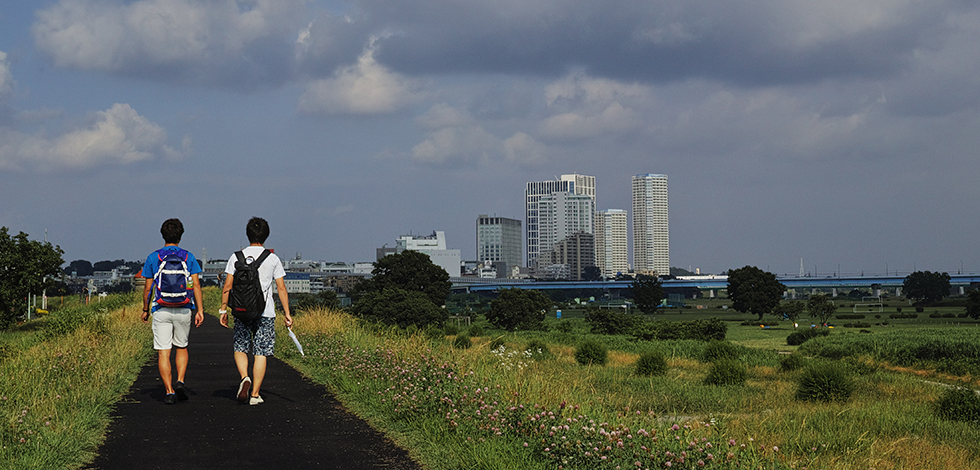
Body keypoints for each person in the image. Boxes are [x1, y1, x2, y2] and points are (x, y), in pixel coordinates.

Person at [219, 217, 294, 405]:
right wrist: (287, 313)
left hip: (241, 309)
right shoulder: (272, 258)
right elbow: (281, 288)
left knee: (240, 347)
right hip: (265, 312)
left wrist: (223, 310)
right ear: (266, 235)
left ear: (248, 234)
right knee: (261, 351)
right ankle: (255, 395)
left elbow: (227, 286)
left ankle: (245, 377)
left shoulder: (236, 257)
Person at [141, 218, 204, 405]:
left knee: (164, 351)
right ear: (181, 235)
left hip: (161, 308)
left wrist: (145, 309)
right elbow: (196, 285)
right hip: (184, 307)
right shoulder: (189, 257)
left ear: (163, 235)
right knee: (182, 346)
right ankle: (180, 381)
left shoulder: (154, 257)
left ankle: (169, 392)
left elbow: (147, 288)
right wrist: (200, 310)